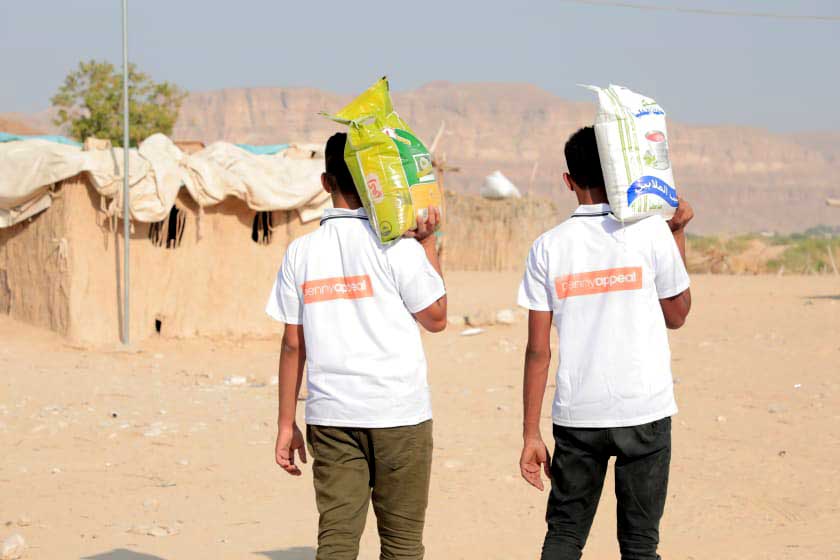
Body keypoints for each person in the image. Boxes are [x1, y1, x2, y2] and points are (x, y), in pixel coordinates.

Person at [266, 132, 447, 560]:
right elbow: (436, 318)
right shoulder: (398, 247)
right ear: (373, 181)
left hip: (331, 418)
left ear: (326, 183)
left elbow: (293, 345)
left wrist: (286, 423)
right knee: (402, 545)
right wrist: (426, 243)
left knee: (336, 541)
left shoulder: (300, 252)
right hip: (399, 415)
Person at [517, 126, 693, 560]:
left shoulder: (547, 247)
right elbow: (677, 314)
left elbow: (538, 350)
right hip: (644, 411)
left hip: (578, 415)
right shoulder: (651, 231)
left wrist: (530, 432)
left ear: (568, 181)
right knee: (639, 545)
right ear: (620, 171)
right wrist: (677, 233)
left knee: (564, 536)